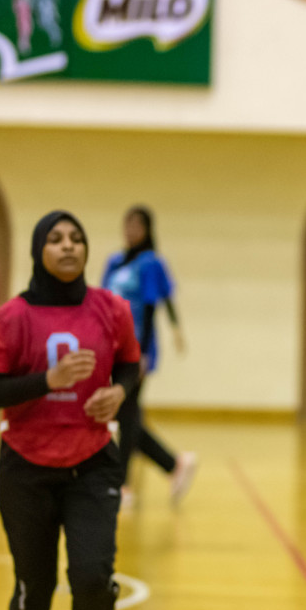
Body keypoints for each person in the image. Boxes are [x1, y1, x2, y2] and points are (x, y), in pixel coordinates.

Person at [0, 211, 139, 610]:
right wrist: (46, 381)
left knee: (93, 580)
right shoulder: (12, 318)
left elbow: (130, 365)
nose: (68, 247)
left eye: (77, 239)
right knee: (34, 585)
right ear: (38, 250)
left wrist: (120, 392)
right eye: (55, 239)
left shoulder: (111, 310)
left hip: (91, 463)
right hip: (26, 467)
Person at [101, 205, 198, 510]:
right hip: (111, 349)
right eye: (127, 224)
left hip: (137, 350)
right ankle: (174, 464)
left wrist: (143, 351)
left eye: (137, 225)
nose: (131, 230)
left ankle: (123, 484)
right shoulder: (114, 262)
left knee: (126, 410)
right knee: (123, 412)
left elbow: (154, 304)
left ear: (147, 229)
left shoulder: (151, 263)